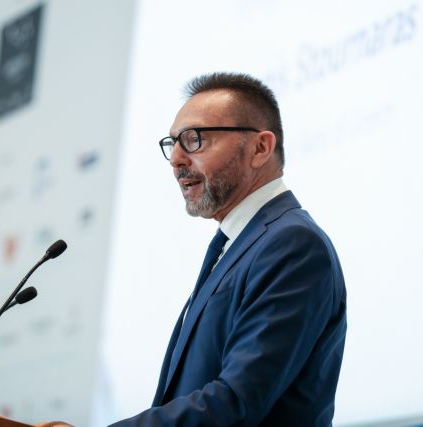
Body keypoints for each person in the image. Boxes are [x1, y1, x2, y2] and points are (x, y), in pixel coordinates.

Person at [109, 72, 347, 426]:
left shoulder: (292, 245)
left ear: (260, 148)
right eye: (173, 143)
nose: (176, 159)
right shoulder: (236, 244)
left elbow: (236, 401)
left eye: (194, 140)